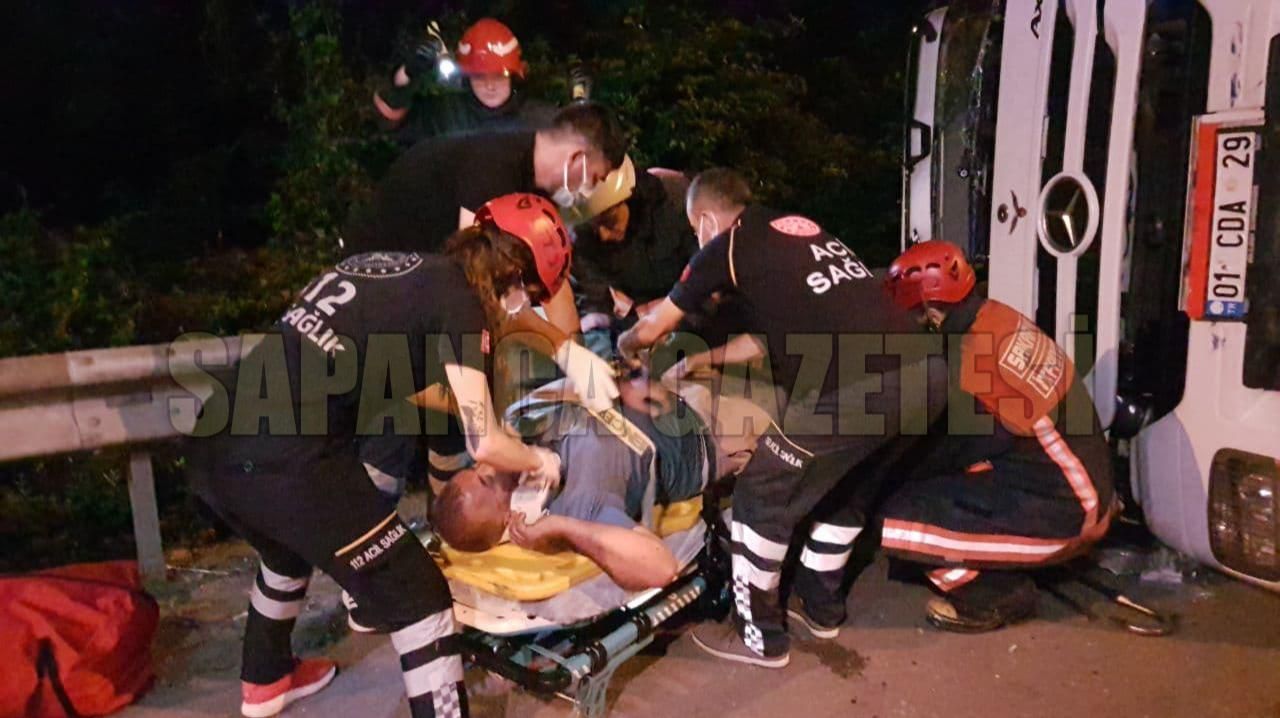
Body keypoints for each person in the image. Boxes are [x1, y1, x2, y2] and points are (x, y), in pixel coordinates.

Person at [187, 194, 579, 718]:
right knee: (419, 595)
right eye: (528, 297)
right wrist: (538, 461)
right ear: (514, 281)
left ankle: (266, 678)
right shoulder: (463, 305)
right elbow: (482, 442)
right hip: (287, 458)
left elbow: (418, 391)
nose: (520, 309)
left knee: (285, 553)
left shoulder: (391, 270)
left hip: (215, 438)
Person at [617, 168, 942, 668]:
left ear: (706, 221)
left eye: (695, 229)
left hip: (860, 386)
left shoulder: (725, 247)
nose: (697, 239)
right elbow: (767, 340)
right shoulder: (798, 233)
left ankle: (758, 636)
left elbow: (655, 326)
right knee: (848, 491)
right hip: (927, 375)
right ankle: (821, 609)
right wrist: (703, 359)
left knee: (761, 491)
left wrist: (623, 345)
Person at [877, 240, 1117, 632]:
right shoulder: (995, 317)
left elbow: (942, 452)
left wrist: (880, 463)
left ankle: (993, 595)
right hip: (1082, 483)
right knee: (956, 476)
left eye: (909, 315)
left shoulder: (972, 363)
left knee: (895, 514)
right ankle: (1007, 552)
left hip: (1069, 512)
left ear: (932, 312)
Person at [431, 371, 769, 590]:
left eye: (475, 469)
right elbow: (661, 568)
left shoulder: (519, 436)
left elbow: (578, 383)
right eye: (486, 482)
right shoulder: (579, 505)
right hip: (708, 430)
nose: (485, 465)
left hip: (661, 386)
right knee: (785, 429)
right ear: (511, 515)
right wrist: (562, 527)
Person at [344, 101, 627, 256]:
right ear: (576, 159)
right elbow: (472, 269)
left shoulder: (536, 191)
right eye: (593, 179)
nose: (587, 192)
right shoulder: (491, 168)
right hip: (376, 272)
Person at [569, 158, 697, 358]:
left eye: (608, 221)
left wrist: (669, 313)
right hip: (632, 325)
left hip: (688, 316)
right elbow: (593, 305)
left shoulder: (674, 202)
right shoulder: (582, 237)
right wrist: (603, 359)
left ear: (626, 200)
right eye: (594, 225)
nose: (603, 235)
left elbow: (707, 276)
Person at [373, 18, 557, 145]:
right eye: (480, 76)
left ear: (514, 76)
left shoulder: (542, 120)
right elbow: (389, 121)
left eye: (498, 75)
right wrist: (406, 73)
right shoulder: (445, 115)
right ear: (467, 77)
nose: (490, 85)